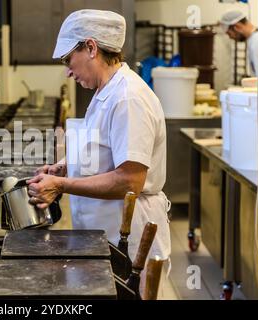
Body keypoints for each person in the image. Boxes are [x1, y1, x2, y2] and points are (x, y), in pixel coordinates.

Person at [26, 9, 171, 288]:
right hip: (105, 236)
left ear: (91, 47)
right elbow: (105, 151)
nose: (68, 71)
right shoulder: (106, 92)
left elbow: (130, 181)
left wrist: (62, 184)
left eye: (69, 59)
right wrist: (66, 167)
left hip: (128, 239)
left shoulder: (128, 98)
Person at [220, 9, 258, 76]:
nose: (230, 37)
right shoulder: (257, 38)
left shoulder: (257, 42)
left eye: (229, 33)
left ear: (237, 27)